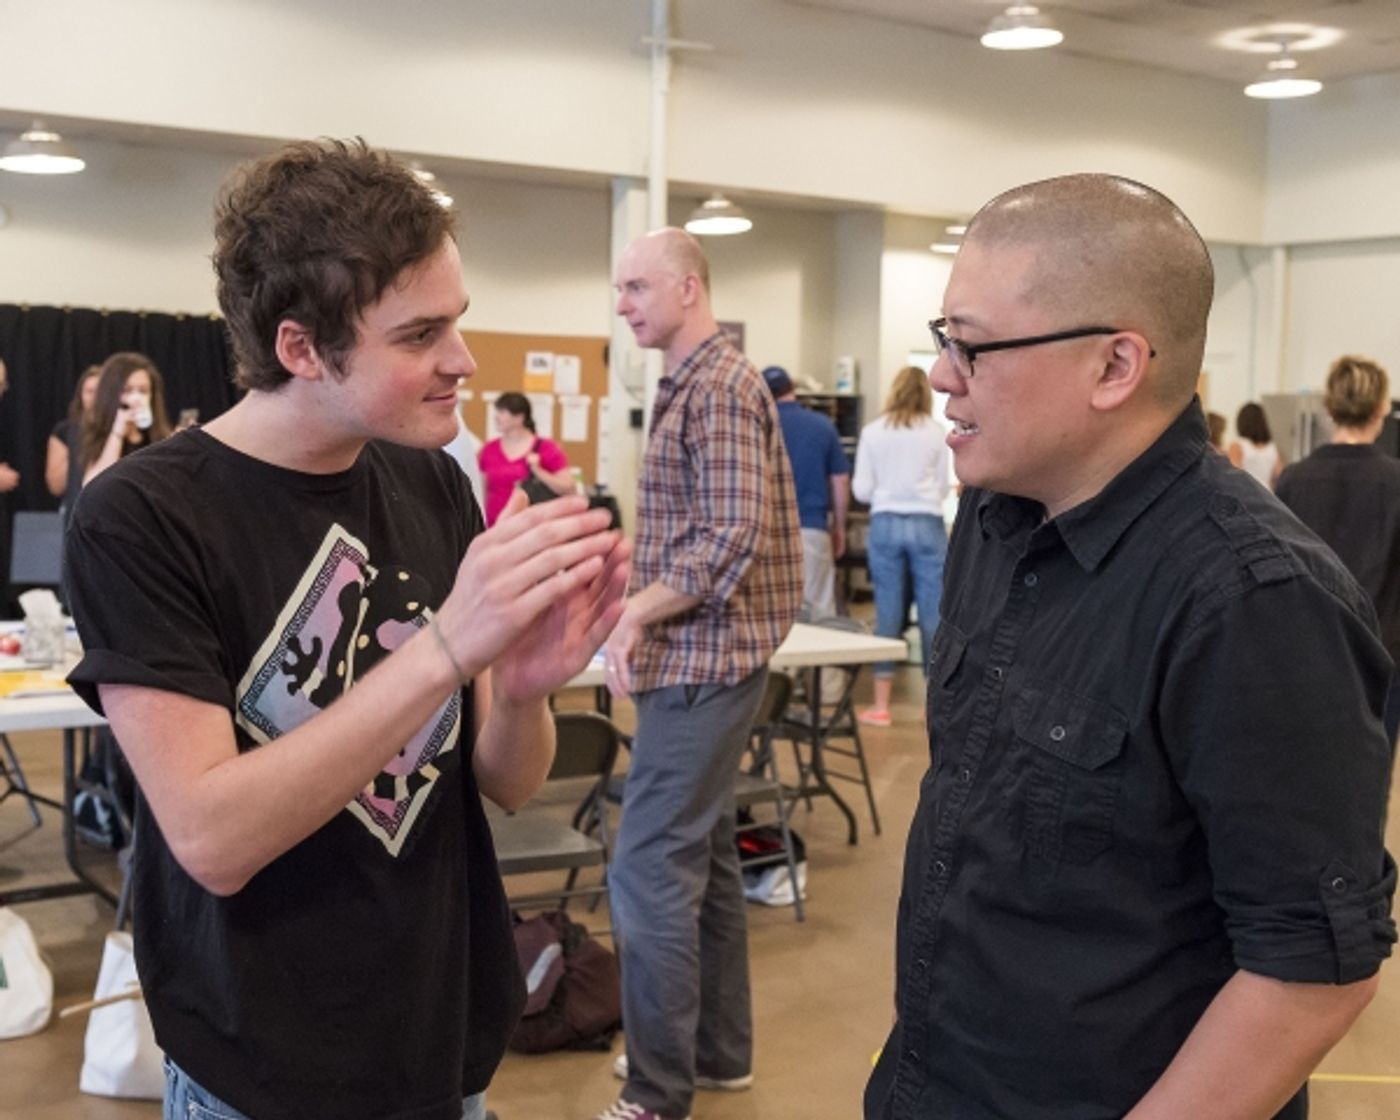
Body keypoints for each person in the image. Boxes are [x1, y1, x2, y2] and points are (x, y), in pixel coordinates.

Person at [63, 138, 629, 1120]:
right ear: (299, 348)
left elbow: (504, 777)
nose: (461, 360)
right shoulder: (143, 515)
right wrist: (448, 650)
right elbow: (210, 834)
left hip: (440, 1048)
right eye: (418, 335)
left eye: (456, 322)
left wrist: (526, 686)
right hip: (267, 1069)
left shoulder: (433, 483)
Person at [867, 174, 1395, 1120]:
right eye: (944, 339)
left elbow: (1312, 969)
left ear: (1116, 366)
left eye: (974, 346)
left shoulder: (1253, 601)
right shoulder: (993, 516)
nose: (942, 374)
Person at [599, 228, 802, 1120]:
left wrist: (634, 614)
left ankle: (655, 1095)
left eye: (638, 285)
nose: (623, 302)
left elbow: (727, 539)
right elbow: (698, 531)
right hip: (701, 659)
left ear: (689, 287)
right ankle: (717, 1056)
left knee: (646, 869)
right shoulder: (694, 383)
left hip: (705, 665)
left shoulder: (718, 386)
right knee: (706, 860)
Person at [1278, 355, 1400, 744]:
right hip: (1384, 655)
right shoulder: (1396, 482)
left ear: (1329, 409)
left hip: (1307, 652)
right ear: (1383, 408)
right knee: (1372, 783)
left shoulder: (1293, 481)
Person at [850, 365, 950, 727]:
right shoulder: (936, 432)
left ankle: (881, 705)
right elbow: (941, 488)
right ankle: (932, 706)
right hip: (927, 522)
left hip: (886, 522)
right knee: (933, 615)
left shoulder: (873, 432)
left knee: (887, 610)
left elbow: (861, 490)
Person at [762, 364, 850, 618]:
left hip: (766, 532)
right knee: (819, 611)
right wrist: (840, 528)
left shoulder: (757, 426)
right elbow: (840, 481)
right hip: (811, 529)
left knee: (772, 610)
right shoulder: (822, 426)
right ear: (792, 389)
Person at [477, 391, 573, 525]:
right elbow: (481, 491)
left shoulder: (546, 448)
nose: (496, 417)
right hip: (495, 528)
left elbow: (568, 487)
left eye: (502, 412)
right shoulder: (489, 449)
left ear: (519, 417)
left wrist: (538, 471)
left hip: (531, 528)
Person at [79, 351, 174, 485]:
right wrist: (117, 434)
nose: (136, 398)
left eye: (143, 390)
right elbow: (92, 485)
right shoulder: (100, 435)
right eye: (127, 390)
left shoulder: (160, 436)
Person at [46, 365, 100, 515]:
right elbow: (56, 486)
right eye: (90, 391)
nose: (95, 398)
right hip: (75, 509)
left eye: (100, 391)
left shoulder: (124, 429)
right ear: (80, 396)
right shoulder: (65, 431)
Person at [1228, 400, 1284, 489]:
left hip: (1246, 495)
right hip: (1267, 495)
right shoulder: (1272, 448)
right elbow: (1280, 476)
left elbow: (1232, 477)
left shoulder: (1238, 445)